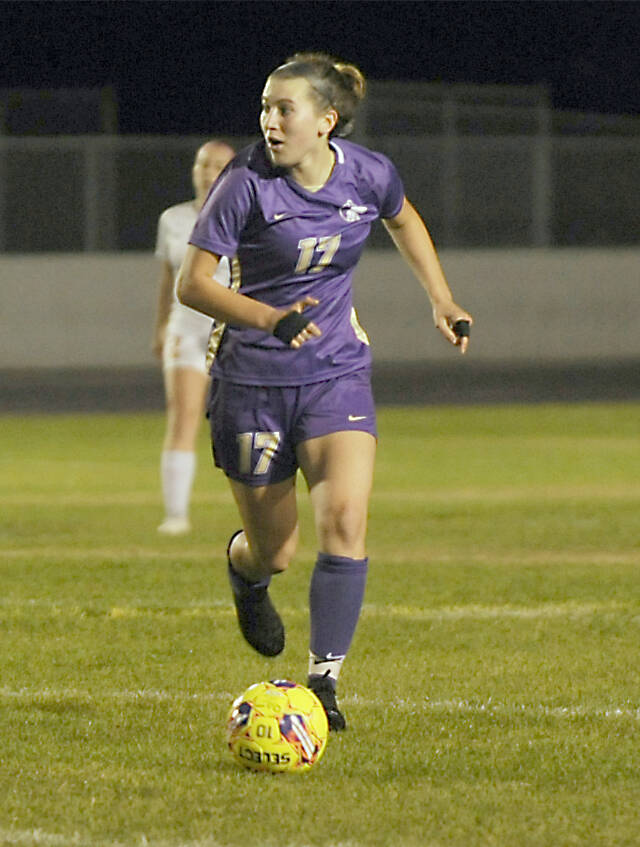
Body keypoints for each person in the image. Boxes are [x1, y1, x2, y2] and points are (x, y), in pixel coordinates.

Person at [177, 52, 472, 729]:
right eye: (265, 109)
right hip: (250, 379)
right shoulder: (244, 182)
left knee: (344, 521)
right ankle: (244, 572)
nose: (270, 123)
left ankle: (324, 681)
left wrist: (441, 298)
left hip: (336, 370)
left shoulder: (368, 173)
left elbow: (402, 218)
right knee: (275, 550)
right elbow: (193, 285)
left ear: (326, 122)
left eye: (285, 110)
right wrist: (270, 319)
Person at [153, 139, 235, 535]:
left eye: (218, 165)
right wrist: (162, 325)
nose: (208, 173)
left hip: (232, 329)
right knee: (184, 415)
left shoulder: (245, 215)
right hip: (187, 328)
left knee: (242, 419)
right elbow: (169, 279)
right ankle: (176, 514)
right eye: (202, 165)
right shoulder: (173, 219)